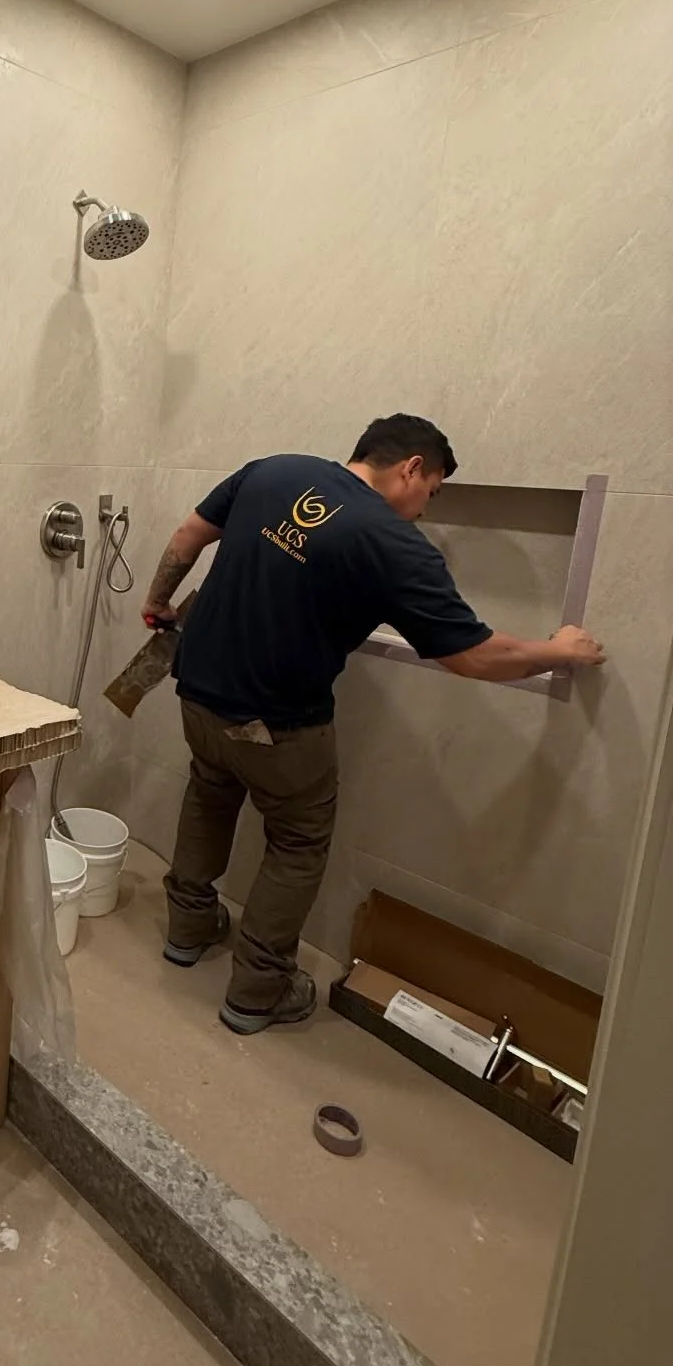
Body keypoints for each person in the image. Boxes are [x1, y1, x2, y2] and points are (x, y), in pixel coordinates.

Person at [141, 414, 606, 1036]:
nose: (426, 509)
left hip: (197, 695)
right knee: (297, 845)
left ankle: (188, 929)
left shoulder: (275, 469)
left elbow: (189, 533)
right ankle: (257, 991)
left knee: (209, 794)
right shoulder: (392, 540)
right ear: (412, 467)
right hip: (278, 728)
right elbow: (473, 655)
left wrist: (157, 600)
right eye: (433, 491)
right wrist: (562, 650)